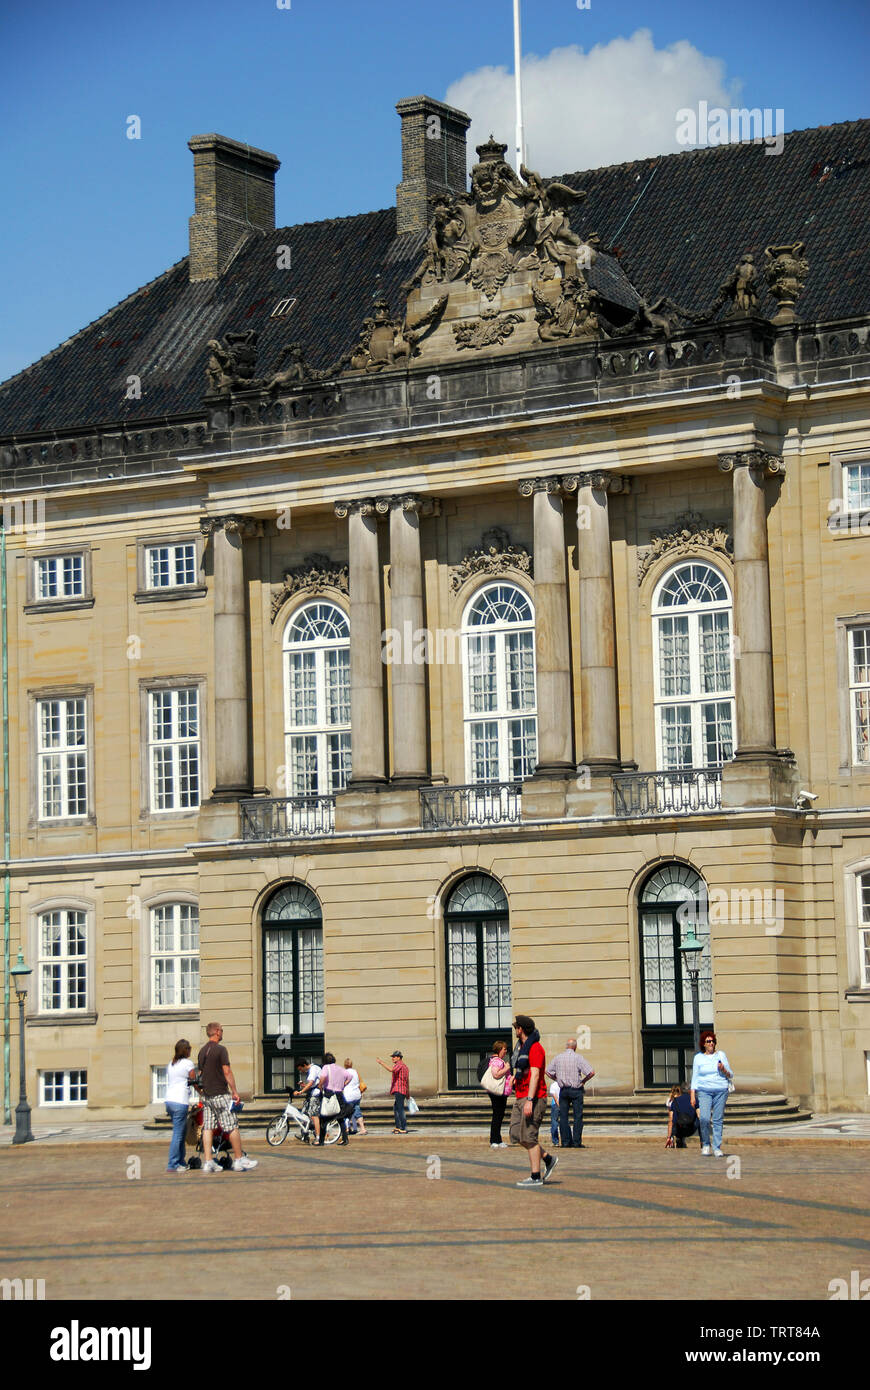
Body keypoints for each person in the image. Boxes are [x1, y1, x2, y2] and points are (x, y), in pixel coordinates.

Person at [197, 1022, 257, 1172]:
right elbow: (227, 1071)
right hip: (220, 1094)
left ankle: (208, 1161)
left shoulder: (202, 1051)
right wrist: (235, 1091)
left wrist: (201, 1092)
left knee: (208, 1128)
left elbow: (200, 1075)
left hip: (207, 1096)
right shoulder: (221, 1050)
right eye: (221, 1030)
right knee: (232, 1126)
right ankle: (239, 1159)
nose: (222, 1033)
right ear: (217, 1031)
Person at [510, 1014, 557, 1188]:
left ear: (521, 1029)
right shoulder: (521, 1048)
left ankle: (536, 1176)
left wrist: (530, 1100)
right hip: (520, 1095)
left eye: (516, 1027)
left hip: (533, 1097)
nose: (515, 1029)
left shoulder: (535, 1048)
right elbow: (522, 1069)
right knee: (516, 1134)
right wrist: (515, 1079)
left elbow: (536, 1074)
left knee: (529, 1137)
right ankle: (548, 1158)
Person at [690, 1032, 734, 1157]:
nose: (711, 1043)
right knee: (704, 1118)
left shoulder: (721, 1055)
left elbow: (731, 1074)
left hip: (720, 1090)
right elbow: (695, 1077)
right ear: (703, 1044)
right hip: (704, 1091)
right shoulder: (698, 1057)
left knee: (717, 1119)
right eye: (708, 1041)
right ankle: (705, 1144)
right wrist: (692, 1095)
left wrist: (723, 1069)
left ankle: (717, 1147)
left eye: (712, 1041)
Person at [546, 1037, 595, 1148]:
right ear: (575, 1047)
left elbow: (548, 1071)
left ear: (566, 1046)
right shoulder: (578, 1058)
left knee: (563, 1116)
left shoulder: (558, 1057)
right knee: (578, 1116)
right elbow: (591, 1072)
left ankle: (565, 1141)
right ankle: (577, 1142)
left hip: (563, 1090)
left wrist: (557, 1079)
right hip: (576, 1089)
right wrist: (583, 1081)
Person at [164, 1039, 196, 1172]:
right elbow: (194, 1081)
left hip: (169, 1100)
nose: (191, 1050)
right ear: (186, 1050)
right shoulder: (188, 1063)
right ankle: (173, 1164)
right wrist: (202, 1092)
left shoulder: (172, 1064)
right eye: (189, 1048)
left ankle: (181, 1161)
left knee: (181, 1132)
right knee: (178, 1134)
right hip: (180, 1101)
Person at [318, 1052, 352, 1145]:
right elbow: (350, 1076)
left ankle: (321, 1141)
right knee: (340, 1117)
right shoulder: (340, 1068)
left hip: (329, 1093)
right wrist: (344, 1084)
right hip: (339, 1094)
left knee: (324, 1117)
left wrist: (320, 1085)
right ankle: (345, 1139)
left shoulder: (326, 1067)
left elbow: (324, 1076)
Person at [484, 1040, 512, 1147]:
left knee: (499, 1115)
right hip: (497, 1091)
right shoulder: (497, 1061)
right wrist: (506, 1068)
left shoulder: (496, 1060)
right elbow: (496, 1074)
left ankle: (497, 1139)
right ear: (499, 1049)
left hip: (498, 1091)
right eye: (504, 1049)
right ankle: (494, 1140)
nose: (506, 1051)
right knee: (497, 1115)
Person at [376, 1050, 410, 1133]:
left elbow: (391, 1070)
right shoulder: (405, 1066)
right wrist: (408, 1092)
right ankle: (398, 1126)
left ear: (399, 1057)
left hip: (399, 1089)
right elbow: (407, 1081)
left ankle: (403, 1127)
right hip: (402, 1090)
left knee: (400, 1109)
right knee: (396, 1108)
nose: (392, 1058)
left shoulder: (400, 1065)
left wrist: (381, 1063)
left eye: (394, 1057)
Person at [293, 1056, 323, 1143]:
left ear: (304, 1065)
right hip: (311, 1093)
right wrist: (303, 1086)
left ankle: (318, 1137)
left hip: (316, 1094)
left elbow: (311, 1083)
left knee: (314, 1115)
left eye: (300, 1069)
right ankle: (305, 1134)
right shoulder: (311, 1070)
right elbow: (311, 1084)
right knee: (304, 1114)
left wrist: (301, 1091)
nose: (300, 1071)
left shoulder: (313, 1069)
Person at [665, 1083, 699, 1148]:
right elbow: (700, 1116)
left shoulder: (675, 1101)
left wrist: (669, 1137)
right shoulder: (695, 1100)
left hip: (678, 1130)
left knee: (676, 1120)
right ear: (690, 1091)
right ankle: (703, 1142)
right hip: (691, 1129)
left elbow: (671, 1120)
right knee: (700, 1119)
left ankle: (677, 1138)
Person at [344, 1057, 367, 1136]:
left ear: (345, 1065)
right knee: (357, 1112)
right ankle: (363, 1128)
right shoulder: (356, 1072)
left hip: (348, 1095)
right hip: (357, 1095)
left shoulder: (344, 1072)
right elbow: (360, 1081)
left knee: (346, 1113)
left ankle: (347, 1128)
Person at [549, 1077, 561, 1147]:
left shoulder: (553, 1085)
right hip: (563, 1104)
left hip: (555, 1104)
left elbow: (554, 1096)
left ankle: (555, 1141)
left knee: (554, 1122)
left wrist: (557, 1103)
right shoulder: (563, 1084)